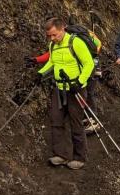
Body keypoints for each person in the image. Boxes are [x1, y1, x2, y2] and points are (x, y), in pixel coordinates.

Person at [37, 16, 95, 169]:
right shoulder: (53, 46)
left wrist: (80, 82)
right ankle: (60, 155)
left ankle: (79, 158)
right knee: (56, 120)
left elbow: (88, 63)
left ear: (62, 28)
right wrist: (41, 74)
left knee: (76, 123)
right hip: (59, 88)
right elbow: (52, 62)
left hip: (76, 89)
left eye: (54, 34)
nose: (52, 38)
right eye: (49, 36)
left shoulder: (75, 43)